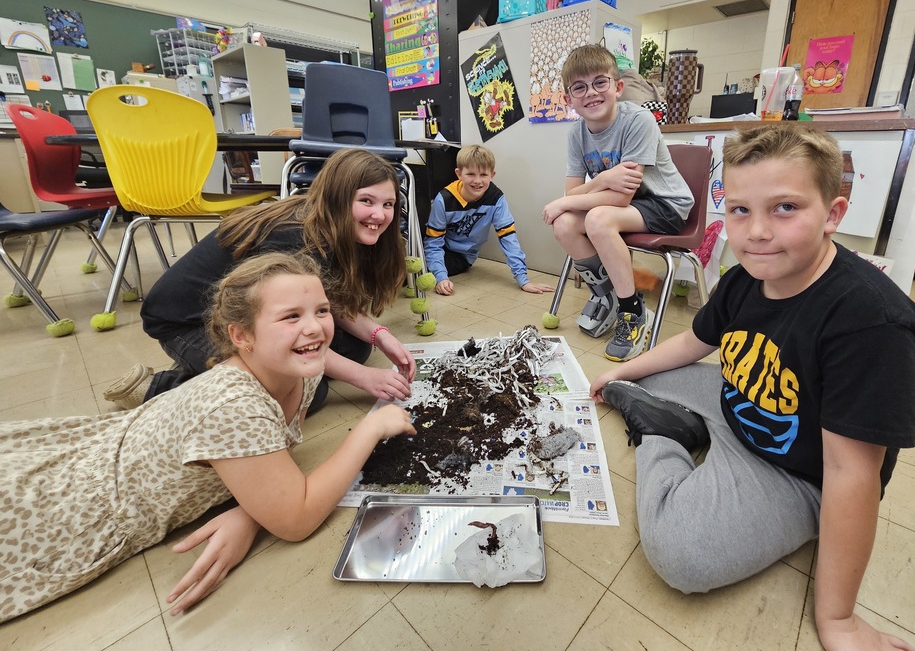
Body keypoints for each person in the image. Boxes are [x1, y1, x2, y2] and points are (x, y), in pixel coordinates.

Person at [589, 124, 915, 651]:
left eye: (785, 208)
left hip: (797, 469)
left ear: (833, 214)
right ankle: (683, 419)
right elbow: (692, 341)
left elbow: (851, 474)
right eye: (739, 210)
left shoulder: (872, 325)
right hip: (736, 400)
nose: (756, 232)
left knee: (681, 556)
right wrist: (624, 371)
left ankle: (661, 433)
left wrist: (839, 619)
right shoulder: (744, 277)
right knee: (649, 373)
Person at [0, 252, 417, 621]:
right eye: (291, 316)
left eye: (321, 311)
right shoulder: (233, 407)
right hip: (74, 505)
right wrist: (370, 428)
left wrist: (249, 514)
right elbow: (296, 521)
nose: (314, 328)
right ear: (241, 336)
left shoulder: (299, 370)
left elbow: (273, 456)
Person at [102, 149, 416, 412]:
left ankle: (223, 369)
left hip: (251, 314)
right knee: (300, 392)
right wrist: (364, 377)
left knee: (356, 348)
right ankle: (159, 387)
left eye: (388, 204)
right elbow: (288, 324)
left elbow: (329, 301)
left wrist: (380, 336)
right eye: (366, 201)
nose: (380, 215)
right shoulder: (295, 239)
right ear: (337, 198)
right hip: (188, 323)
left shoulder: (329, 224)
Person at [541, 44, 694, 362]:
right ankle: (607, 296)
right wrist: (602, 180)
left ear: (618, 87)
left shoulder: (638, 120)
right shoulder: (576, 134)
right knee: (564, 223)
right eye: (579, 87)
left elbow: (620, 197)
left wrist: (574, 197)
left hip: (665, 204)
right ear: (569, 99)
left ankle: (632, 310)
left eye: (600, 82)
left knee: (597, 219)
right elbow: (572, 194)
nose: (591, 92)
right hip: (625, 206)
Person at [424, 144, 554, 296]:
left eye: (483, 175)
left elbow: (508, 238)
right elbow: (433, 243)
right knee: (408, 260)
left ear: (492, 175)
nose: (477, 181)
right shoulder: (443, 199)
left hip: (461, 256)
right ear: (459, 174)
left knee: (414, 271)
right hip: (438, 247)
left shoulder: (496, 198)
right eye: (470, 174)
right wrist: (441, 277)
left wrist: (523, 280)